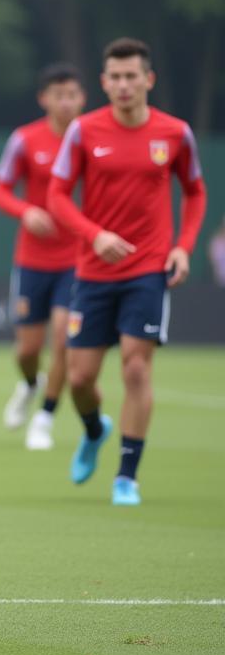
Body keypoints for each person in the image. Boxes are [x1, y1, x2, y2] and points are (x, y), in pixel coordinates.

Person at [48, 37, 206, 506]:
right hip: (94, 270)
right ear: (104, 82)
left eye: (131, 76)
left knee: (136, 368)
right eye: (114, 77)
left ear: (148, 80)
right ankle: (96, 430)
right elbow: (57, 196)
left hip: (149, 270)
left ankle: (126, 477)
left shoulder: (175, 133)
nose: (123, 85)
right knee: (79, 379)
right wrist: (93, 234)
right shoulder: (83, 131)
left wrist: (183, 247)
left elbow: (195, 193)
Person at [0, 63, 86, 450]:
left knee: (63, 340)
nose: (66, 103)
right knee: (28, 350)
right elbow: (0, 191)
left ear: (83, 98)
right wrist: (25, 211)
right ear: (44, 98)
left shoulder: (92, 139)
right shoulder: (25, 139)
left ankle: (44, 419)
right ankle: (31, 384)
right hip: (32, 259)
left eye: (73, 95)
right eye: (58, 95)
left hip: (77, 261)